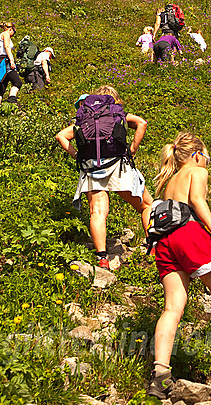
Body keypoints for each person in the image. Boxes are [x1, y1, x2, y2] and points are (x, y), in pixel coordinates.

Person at [148, 132, 211, 399]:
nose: (207, 163)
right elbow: (196, 201)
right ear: (197, 154)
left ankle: (160, 376)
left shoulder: (169, 180)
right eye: (207, 157)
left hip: (165, 241)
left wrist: (206, 225)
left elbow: (180, 209)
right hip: (188, 237)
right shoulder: (197, 172)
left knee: (172, 308)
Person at [56, 85, 153, 270]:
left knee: (97, 213)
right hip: (118, 165)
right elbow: (142, 123)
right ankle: (153, 246)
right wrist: (132, 149)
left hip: (91, 167)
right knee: (146, 205)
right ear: (115, 100)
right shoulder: (119, 114)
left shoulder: (84, 118)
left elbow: (61, 136)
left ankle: (102, 257)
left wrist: (77, 155)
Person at [0, 22, 22, 107]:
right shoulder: (6, 34)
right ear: (11, 29)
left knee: (0, 88)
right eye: (14, 32)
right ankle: (12, 100)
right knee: (17, 82)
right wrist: (12, 60)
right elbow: (7, 47)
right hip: (5, 61)